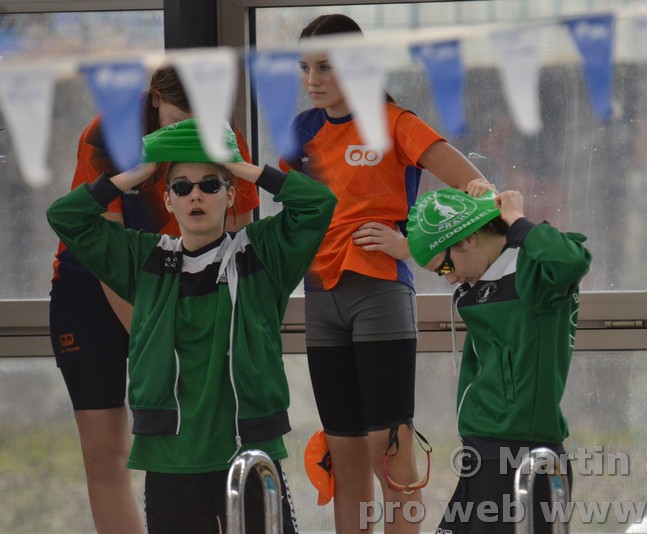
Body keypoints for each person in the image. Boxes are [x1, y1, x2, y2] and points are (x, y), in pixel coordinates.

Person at [47, 118, 337, 534]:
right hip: (170, 457)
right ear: (167, 201)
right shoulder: (143, 260)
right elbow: (65, 216)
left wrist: (242, 167)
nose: (195, 195)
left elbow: (318, 204)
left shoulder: (263, 254)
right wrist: (141, 171)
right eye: (181, 188)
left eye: (210, 185)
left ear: (231, 194)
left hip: (248, 449)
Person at [279, 13, 494, 534]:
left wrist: (413, 246)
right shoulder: (302, 131)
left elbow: (481, 194)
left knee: (390, 452)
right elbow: (292, 211)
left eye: (325, 67)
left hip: (379, 294)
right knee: (345, 455)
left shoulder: (395, 122)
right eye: (305, 68)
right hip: (320, 297)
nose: (312, 79)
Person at [48, 66, 258, 533]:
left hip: (185, 283)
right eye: (179, 122)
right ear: (156, 99)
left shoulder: (225, 136)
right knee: (107, 457)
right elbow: (109, 257)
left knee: (208, 439)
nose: (188, 136)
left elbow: (237, 242)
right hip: (93, 287)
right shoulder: (107, 133)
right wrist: (154, 339)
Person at [405, 187, 592, 534]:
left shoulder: (533, 274)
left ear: (469, 239)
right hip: (483, 450)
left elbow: (572, 260)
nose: (449, 279)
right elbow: (466, 236)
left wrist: (516, 219)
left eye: (445, 266)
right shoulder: (487, 274)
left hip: (518, 453)